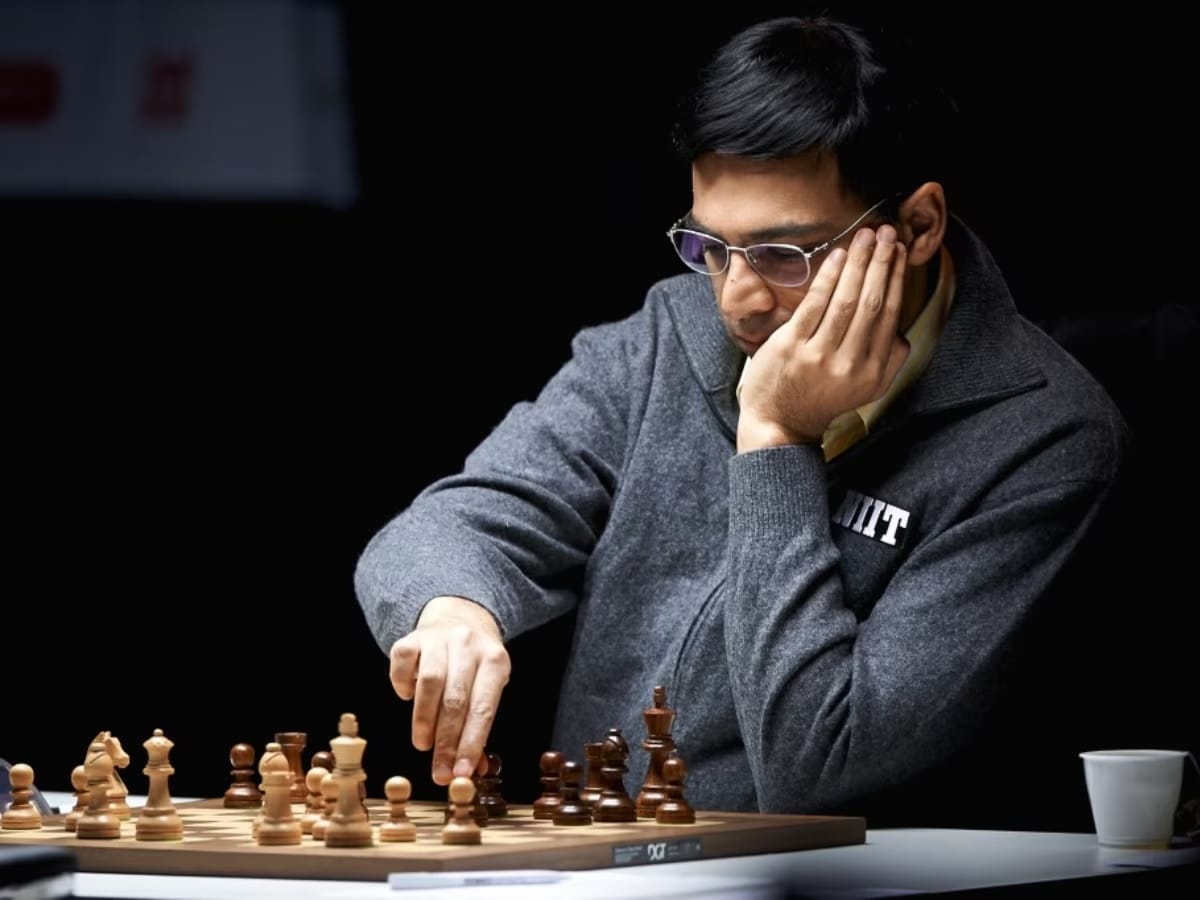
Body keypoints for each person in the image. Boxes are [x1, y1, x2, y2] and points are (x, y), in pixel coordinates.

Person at [353, 15, 1128, 825]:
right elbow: (447, 525)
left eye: (784, 255)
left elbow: (817, 767)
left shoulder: (1047, 441)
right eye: (710, 248)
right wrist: (451, 606)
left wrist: (776, 442)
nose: (736, 298)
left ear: (920, 226)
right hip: (604, 869)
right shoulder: (665, 336)